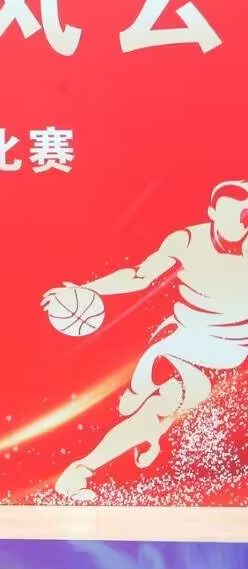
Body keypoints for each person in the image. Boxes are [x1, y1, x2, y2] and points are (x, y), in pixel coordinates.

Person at [43, 179, 248, 502]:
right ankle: (89, 460)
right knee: (154, 396)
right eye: (230, 214)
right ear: (211, 213)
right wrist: (88, 289)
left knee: (155, 415)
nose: (239, 223)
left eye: (244, 215)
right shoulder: (186, 242)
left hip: (227, 353)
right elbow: (139, 276)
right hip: (181, 338)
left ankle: (136, 437)